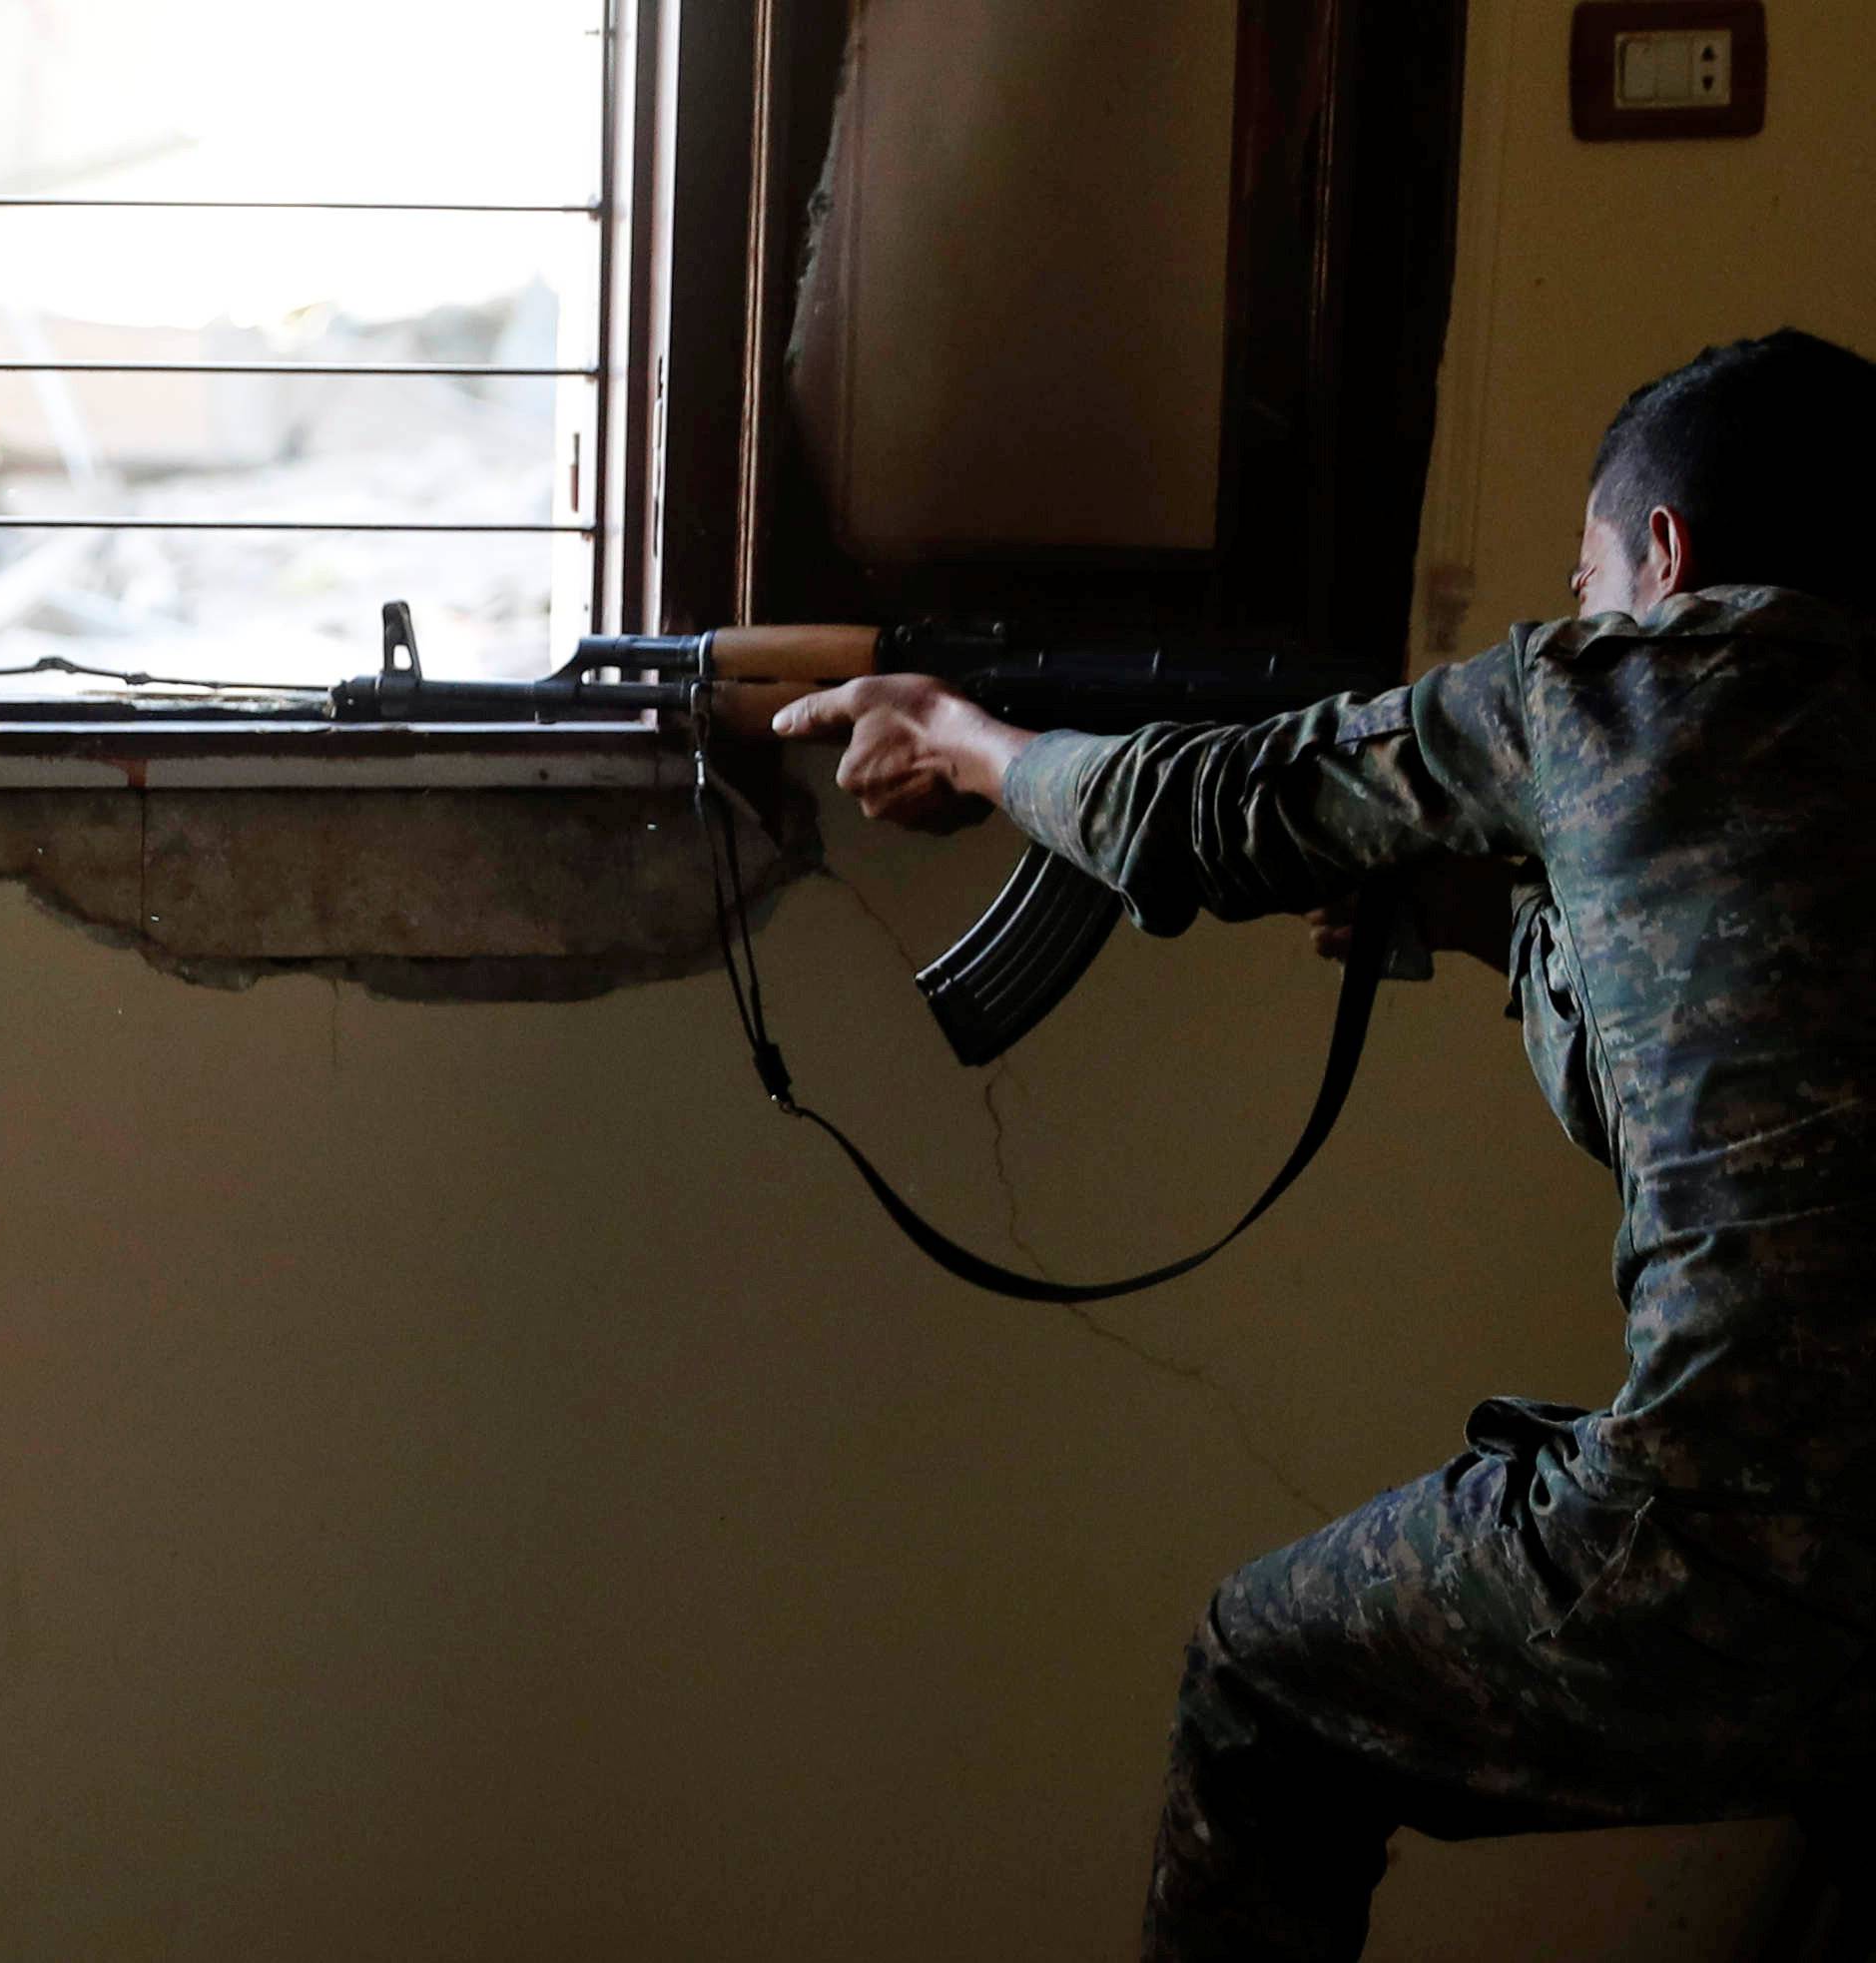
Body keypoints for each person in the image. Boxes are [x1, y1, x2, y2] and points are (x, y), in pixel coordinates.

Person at [773, 327, 1876, 1959]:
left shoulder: (1616, 689)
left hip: (1747, 1560)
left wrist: (962, 736)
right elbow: (1738, 1029)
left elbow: (1187, 817)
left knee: (1263, 1677)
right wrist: (1490, 905)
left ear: (1667, 557)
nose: (1574, 619)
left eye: (1584, 580)